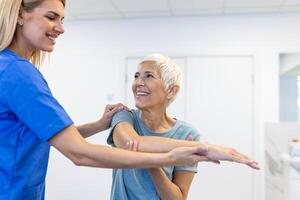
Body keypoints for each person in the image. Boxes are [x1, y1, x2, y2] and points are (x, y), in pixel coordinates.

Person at [0, 1, 220, 199]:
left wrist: (98, 125)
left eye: (149, 76)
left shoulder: (11, 68)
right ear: (20, 15)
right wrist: (191, 152)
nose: (61, 28)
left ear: (172, 90)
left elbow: (48, 134)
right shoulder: (18, 72)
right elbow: (82, 151)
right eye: (51, 17)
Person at [107, 54, 260, 200]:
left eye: (148, 76)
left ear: (171, 90)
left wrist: (152, 164)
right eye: (136, 76)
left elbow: (177, 198)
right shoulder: (124, 116)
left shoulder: (186, 133)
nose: (138, 83)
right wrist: (202, 148)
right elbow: (130, 142)